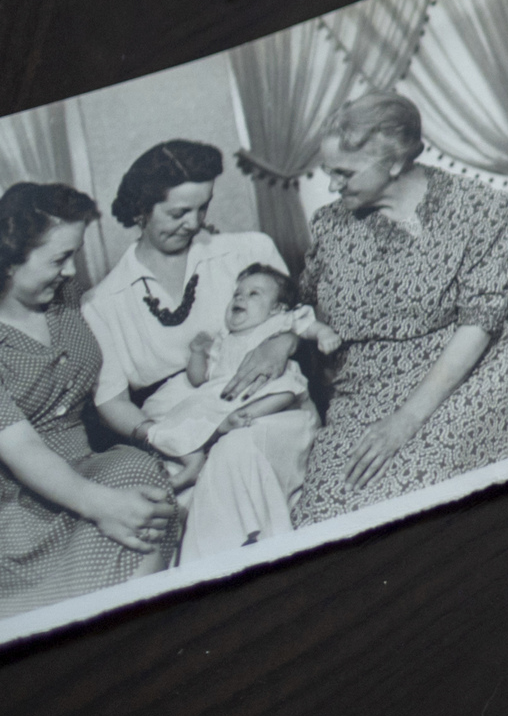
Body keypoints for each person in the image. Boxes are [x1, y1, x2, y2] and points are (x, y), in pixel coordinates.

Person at [291, 95, 508, 525]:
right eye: (328, 172)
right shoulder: (330, 225)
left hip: (463, 377)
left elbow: (480, 322)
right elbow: (303, 301)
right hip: (365, 389)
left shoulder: (479, 207)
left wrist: (406, 420)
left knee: (419, 493)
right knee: (326, 512)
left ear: (393, 163)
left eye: (343, 173)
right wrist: (281, 338)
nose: (332, 186)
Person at [80, 142, 316, 564]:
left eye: (202, 207)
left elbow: (294, 317)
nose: (194, 223)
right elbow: (110, 401)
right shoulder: (103, 302)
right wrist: (168, 438)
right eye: (177, 213)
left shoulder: (248, 250)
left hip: (267, 409)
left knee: (236, 452)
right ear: (141, 210)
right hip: (177, 434)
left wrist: (282, 342)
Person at [0, 183, 176, 620]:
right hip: (20, 508)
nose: (71, 270)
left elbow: (109, 391)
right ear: (7, 260)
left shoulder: (67, 297)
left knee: (143, 479)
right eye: (59, 258)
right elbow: (20, 448)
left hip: (88, 470)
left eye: (74, 254)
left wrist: (167, 440)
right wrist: (104, 506)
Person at [136, 268, 333, 559]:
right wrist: (198, 353)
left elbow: (305, 325)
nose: (241, 298)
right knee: (188, 417)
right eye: (238, 294)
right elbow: (198, 379)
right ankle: (187, 475)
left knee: (282, 389)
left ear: (276, 307)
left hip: (268, 390)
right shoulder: (222, 339)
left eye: (254, 294)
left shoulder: (276, 325)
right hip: (224, 397)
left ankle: (239, 422)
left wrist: (324, 334)